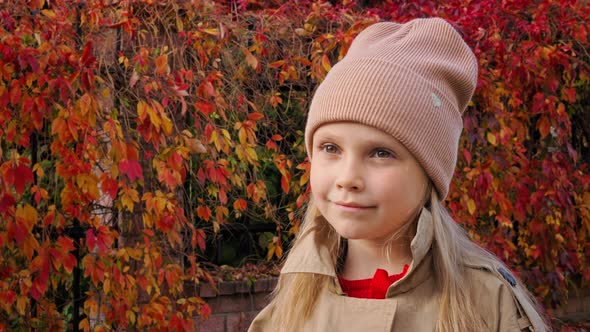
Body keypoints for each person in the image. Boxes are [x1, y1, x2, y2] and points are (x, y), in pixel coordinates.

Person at [248, 18, 549, 332]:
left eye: (381, 153)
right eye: (330, 148)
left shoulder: (487, 303)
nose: (347, 177)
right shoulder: (294, 301)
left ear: (429, 171)